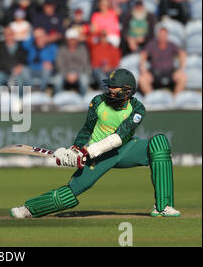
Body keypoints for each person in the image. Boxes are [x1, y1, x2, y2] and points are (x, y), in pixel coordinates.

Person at [10, 68, 181, 219]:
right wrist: (74, 150)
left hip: (125, 148)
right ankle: (28, 209)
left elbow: (119, 138)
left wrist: (86, 152)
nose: (110, 90)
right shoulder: (98, 101)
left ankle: (163, 207)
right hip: (98, 158)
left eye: (114, 88)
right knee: (70, 193)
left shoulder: (137, 108)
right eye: (109, 87)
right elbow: (86, 130)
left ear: (127, 91)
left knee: (159, 144)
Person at [138, 27, 187, 95]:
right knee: (142, 80)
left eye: (164, 35)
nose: (162, 37)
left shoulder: (171, 45)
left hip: (170, 72)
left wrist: (181, 69)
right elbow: (143, 55)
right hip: (155, 73)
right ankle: (152, 100)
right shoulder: (152, 44)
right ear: (158, 35)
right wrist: (144, 71)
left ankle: (175, 101)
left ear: (167, 36)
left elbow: (182, 54)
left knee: (183, 78)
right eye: (161, 35)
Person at [52, 28, 91, 95]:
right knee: (57, 81)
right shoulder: (62, 49)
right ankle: (57, 99)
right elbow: (59, 64)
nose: (72, 42)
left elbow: (85, 64)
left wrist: (76, 74)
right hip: (65, 72)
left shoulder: (82, 49)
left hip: (79, 73)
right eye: (70, 40)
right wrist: (67, 74)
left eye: (74, 39)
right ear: (67, 40)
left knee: (84, 80)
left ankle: (82, 100)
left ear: (77, 40)